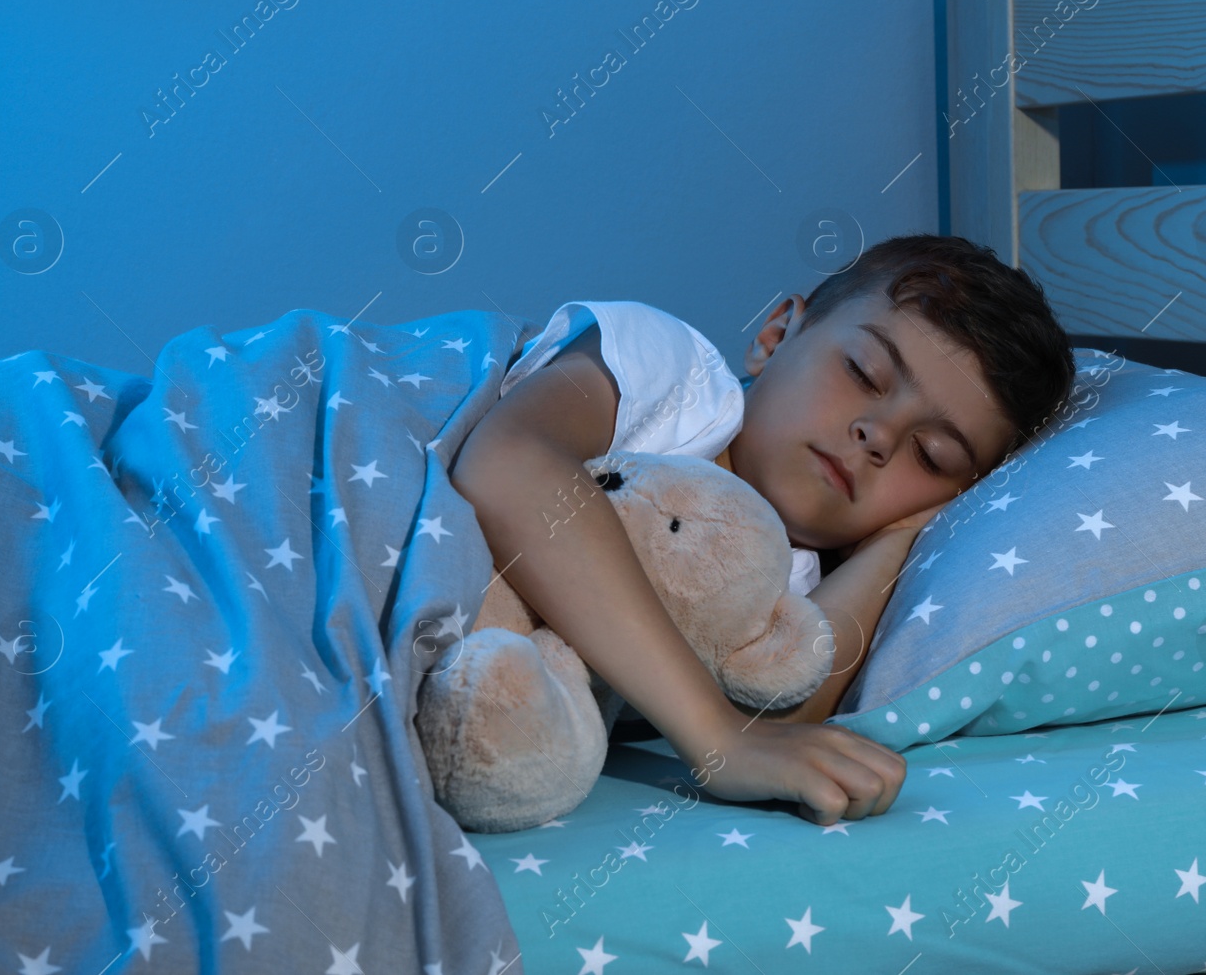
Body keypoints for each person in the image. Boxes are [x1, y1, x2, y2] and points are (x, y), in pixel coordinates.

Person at [447, 234, 1075, 826]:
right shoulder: (678, 379)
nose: (878, 435)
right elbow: (508, 466)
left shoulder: (787, 584)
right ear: (776, 337)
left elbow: (776, 721)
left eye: (932, 455)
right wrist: (711, 734)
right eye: (862, 373)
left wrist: (900, 542)